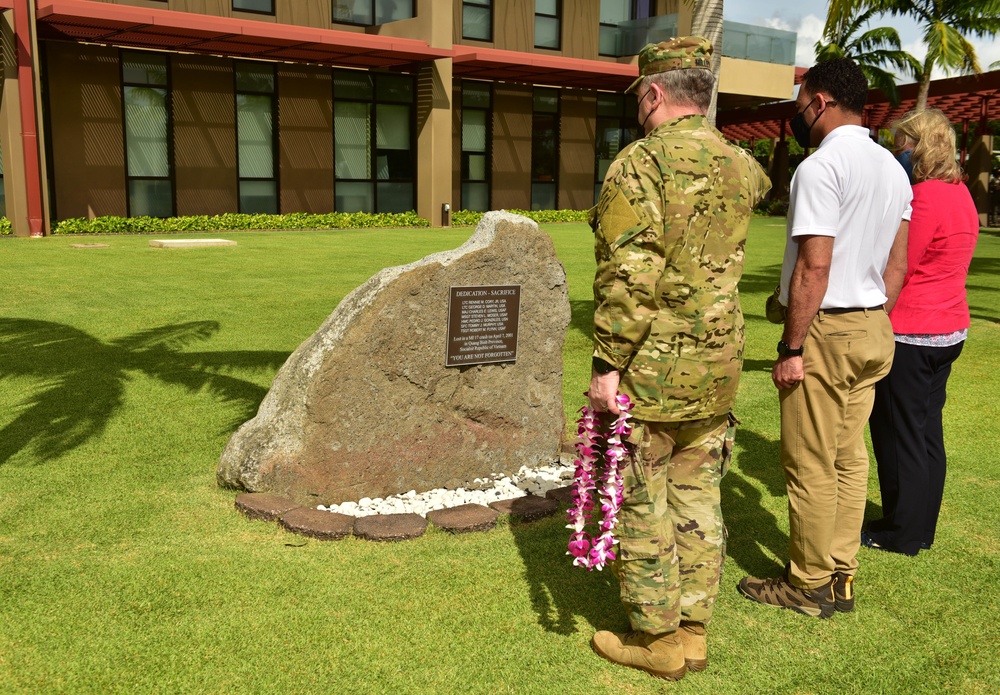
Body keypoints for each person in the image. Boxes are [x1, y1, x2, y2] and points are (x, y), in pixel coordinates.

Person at [587, 37, 770, 680]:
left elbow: (630, 274)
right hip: (718, 367)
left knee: (642, 498)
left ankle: (658, 639)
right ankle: (693, 630)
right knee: (699, 498)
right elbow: (761, 192)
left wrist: (606, 363)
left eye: (640, 95)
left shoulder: (641, 165)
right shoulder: (739, 163)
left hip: (653, 371)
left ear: (656, 93)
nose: (638, 107)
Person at [737, 58, 912, 618]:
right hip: (873, 325)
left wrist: (792, 348)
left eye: (801, 100)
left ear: (819, 101)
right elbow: (897, 266)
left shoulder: (819, 167)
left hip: (829, 330)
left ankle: (808, 583)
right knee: (847, 457)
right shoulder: (894, 168)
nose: (798, 111)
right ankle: (840, 573)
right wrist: (872, 314)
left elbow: (814, 268)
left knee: (810, 461)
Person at [864, 108, 980, 556]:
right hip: (949, 328)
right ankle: (920, 525)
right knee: (927, 432)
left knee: (899, 434)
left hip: (913, 331)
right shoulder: (961, 193)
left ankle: (902, 531)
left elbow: (900, 264)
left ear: (921, 146)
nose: (899, 151)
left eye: (903, 143)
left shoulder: (925, 196)